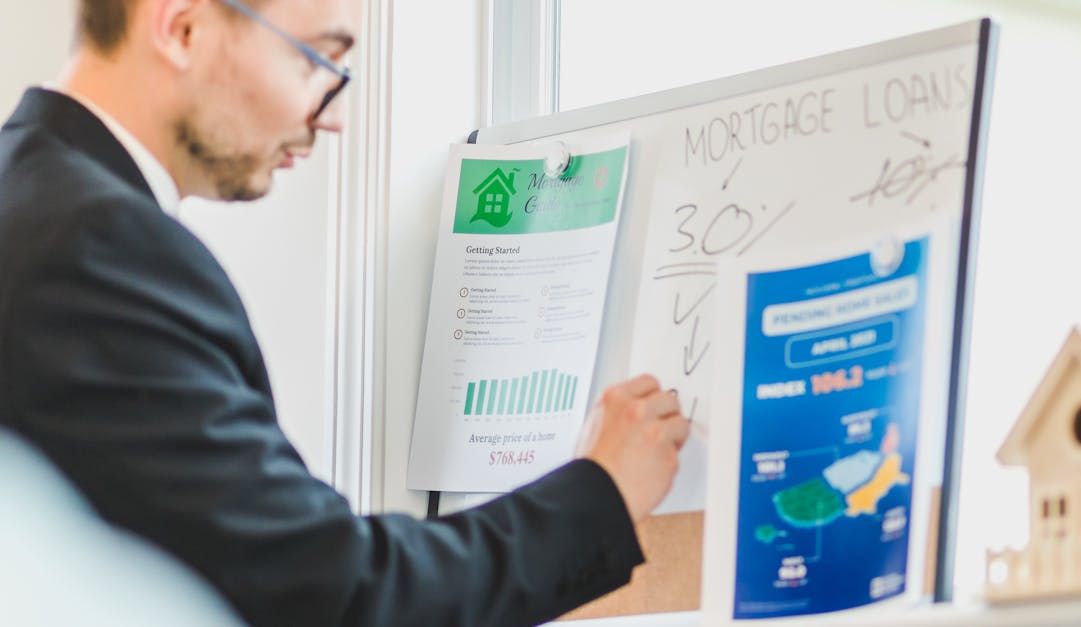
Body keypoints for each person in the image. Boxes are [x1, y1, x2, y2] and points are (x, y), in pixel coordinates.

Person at [0, 1, 690, 626]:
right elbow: (327, 591)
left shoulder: (33, 195)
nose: (333, 114)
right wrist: (599, 493)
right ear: (182, 28)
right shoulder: (100, 243)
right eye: (318, 59)